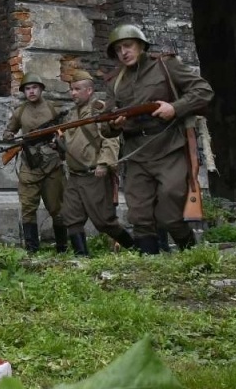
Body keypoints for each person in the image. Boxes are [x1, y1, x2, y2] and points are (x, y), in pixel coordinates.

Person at [105, 23, 214, 255]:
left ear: (141, 45)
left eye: (128, 45)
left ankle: (192, 258)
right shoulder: (115, 81)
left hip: (169, 148)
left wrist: (175, 108)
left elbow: (203, 90)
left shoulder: (166, 65)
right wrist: (114, 125)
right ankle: (150, 266)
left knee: (169, 215)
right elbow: (107, 125)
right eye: (118, 49)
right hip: (136, 152)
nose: (123, 52)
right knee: (139, 215)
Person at [56, 70, 128, 254]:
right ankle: (82, 257)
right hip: (74, 176)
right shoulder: (72, 114)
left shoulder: (98, 110)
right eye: (71, 89)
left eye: (77, 89)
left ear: (89, 91)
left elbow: (111, 139)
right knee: (71, 216)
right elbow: (72, 141)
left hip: (94, 174)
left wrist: (104, 163)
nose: (73, 93)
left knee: (104, 221)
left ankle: (135, 247)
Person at [4, 76, 68, 253]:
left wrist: (58, 144)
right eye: (27, 89)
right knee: (28, 207)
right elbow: (9, 130)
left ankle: (62, 247)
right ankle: (32, 250)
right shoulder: (20, 111)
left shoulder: (52, 109)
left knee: (58, 208)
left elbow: (64, 136)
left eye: (34, 88)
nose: (31, 91)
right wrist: (9, 135)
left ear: (41, 89)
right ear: (24, 92)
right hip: (30, 165)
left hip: (52, 165)